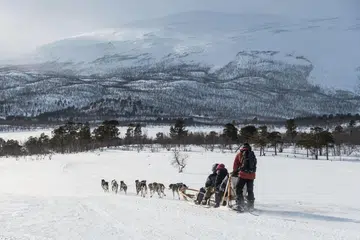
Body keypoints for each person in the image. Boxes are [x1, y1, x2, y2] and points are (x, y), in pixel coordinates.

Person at [232, 143, 257, 210]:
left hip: (243, 174)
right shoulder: (252, 154)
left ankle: (240, 205)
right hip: (252, 175)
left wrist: (235, 172)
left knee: (238, 188)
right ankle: (251, 206)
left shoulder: (240, 154)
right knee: (250, 190)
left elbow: (235, 164)